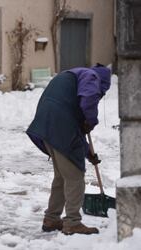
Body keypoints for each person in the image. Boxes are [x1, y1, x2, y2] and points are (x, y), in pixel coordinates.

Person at [26, 64, 111, 235]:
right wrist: (91, 120)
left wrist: (89, 153)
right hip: (60, 126)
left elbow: (75, 128)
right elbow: (89, 98)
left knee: (62, 176)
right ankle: (72, 222)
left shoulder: (72, 76)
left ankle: (51, 219)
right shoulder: (92, 76)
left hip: (46, 125)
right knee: (74, 176)